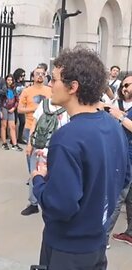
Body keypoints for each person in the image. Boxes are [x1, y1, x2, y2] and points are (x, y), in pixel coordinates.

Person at [32, 48, 130, 269]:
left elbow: (61, 206)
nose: (49, 85)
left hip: (67, 249)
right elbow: (123, 178)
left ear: (73, 86)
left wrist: (39, 179)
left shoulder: (66, 137)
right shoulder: (113, 126)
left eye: (54, 79)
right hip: (96, 242)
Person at [21, 98, 69, 216]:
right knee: (35, 174)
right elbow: (34, 122)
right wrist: (30, 143)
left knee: (55, 176)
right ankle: (33, 203)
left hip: (56, 147)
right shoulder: (45, 103)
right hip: (39, 144)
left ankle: (51, 204)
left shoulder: (68, 105)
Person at [106, 76, 132, 247]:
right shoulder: (121, 103)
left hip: (128, 159)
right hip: (123, 155)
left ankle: (102, 237)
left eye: (128, 84)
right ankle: (130, 233)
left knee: (118, 198)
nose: (125, 87)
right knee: (129, 198)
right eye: (123, 85)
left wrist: (120, 117)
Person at [0, 74, 22, 151]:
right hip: (4, 107)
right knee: (4, 125)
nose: (9, 81)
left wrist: (14, 108)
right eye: (8, 80)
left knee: (12, 126)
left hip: (11, 108)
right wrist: (0, 110)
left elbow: (17, 100)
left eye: (11, 80)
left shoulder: (14, 89)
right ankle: (4, 143)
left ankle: (15, 144)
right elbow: (0, 99)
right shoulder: (3, 88)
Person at [13, 68, 27, 144]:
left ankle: (20, 137)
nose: (23, 77)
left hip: (21, 104)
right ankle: (13, 138)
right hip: (15, 104)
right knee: (14, 121)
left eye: (24, 75)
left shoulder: (23, 83)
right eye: (22, 75)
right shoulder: (14, 83)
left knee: (22, 121)